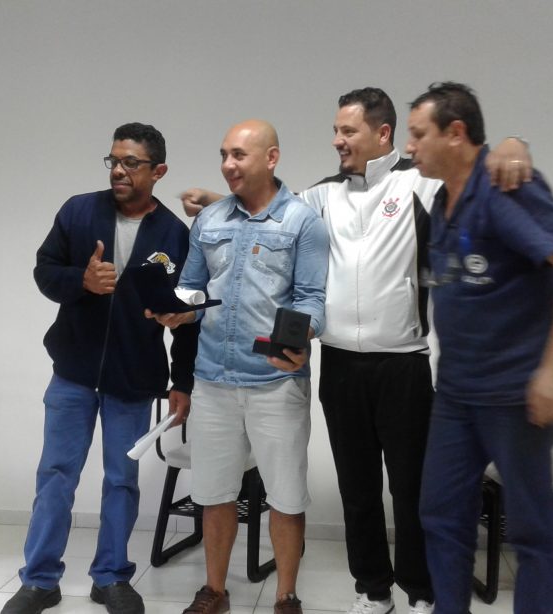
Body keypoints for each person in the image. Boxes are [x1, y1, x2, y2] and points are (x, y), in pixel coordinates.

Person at [181, 87, 532, 614]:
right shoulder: (323, 196)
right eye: (336, 131)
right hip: (341, 365)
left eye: (347, 131)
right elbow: (271, 209)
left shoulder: (421, 183)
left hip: (404, 363)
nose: (337, 140)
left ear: (382, 133)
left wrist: (513, 143)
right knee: (357, 488)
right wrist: (216, 199)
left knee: (412, 490)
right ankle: (373, 590)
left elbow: (473, 172)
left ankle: (420, 592)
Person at [405, 82, 553, 614]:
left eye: (418, 134)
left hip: (514, 392)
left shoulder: (506, 187)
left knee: (531, 529)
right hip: (456, 392)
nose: (409, 147)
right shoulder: (442, 199)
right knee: (441, 515)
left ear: (455, 132)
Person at [2, 123, 198, 614]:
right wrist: (81, 281)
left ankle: (110, 577)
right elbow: (44, 271)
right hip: (73, 373)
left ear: (158, 171)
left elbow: (187, 316)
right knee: (56, 475)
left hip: (133, 381)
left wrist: (182, 381)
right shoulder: (78, 211)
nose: (118, 170)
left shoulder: (174, 234)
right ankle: (39, 580)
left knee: (121, 481)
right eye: (113, 160)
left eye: (131, 162)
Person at [148, 119, 329, 614]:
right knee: (214, 494)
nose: (228, 165)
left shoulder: (302, 223)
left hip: (276, 382)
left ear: (271, 158)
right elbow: (192, 288)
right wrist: (176, 308)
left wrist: (305, 333)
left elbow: (313, 299)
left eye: (239, 155)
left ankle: (286, 597)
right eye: (224, 155)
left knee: (286, 498)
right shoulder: (209, 220)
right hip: (213, 382)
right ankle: (215, 592)